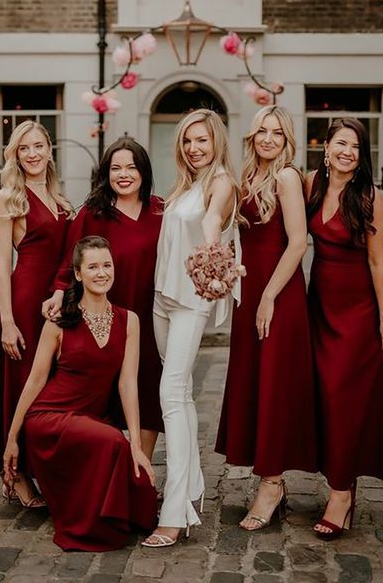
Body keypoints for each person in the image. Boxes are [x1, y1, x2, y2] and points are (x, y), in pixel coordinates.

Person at [3, 236, 157, 551]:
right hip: (50, 419)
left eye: (106, 265)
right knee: (114, 440)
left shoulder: (130, 321)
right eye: (92, 267)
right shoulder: (58, 322)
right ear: (78, 274)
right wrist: (11, 438)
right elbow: (34, 381)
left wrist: (137, 448)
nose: (101, 273)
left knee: (142, 490)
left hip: (92, 421)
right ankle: (92, 525)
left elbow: (127, 384)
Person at [142, 108, 241, 547]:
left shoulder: (221, 181)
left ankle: (175, 510)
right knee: (178, 395)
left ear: (215, 141)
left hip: (192, 300)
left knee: (171, 395)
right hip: (162, 299)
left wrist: (212, 248)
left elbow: (212, 219)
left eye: (201, 139)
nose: (194, 147)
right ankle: (194, 486)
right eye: (187, 141)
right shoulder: (184, 184)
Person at [215, 105, 317, 530]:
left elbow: (298, 243)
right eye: (262, 131)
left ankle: (272, 484)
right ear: (252, 135)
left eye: (277, 132)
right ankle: (268, 475)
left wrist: (269, 296)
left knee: (274, 385)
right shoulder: (247, 178)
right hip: (249, 292)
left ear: (287, 137)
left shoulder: (288, 177)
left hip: (279, 294)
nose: (269, 138)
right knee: (255, 383)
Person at [305, 117, 383, 540]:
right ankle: (341, 482)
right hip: (318, 306)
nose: (347, 152)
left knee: (344, 399)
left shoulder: (372, 198)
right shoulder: (311, 185)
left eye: (356, 147)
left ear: (362, 157)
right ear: (326, 147)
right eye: (340, 143)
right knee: (323, 398)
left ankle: (340, 495)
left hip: (356, 312)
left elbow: (377, 262)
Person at [42, 137, 163, 458]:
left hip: (151, 316)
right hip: (105, 315)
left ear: (144, 172)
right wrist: (57, 293)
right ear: (106, 173)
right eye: (116, 168)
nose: (124, 174)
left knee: (148, 389)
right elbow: (71, 260)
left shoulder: (161, 210)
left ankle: (142, 465)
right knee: (103, 391)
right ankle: (105, 462)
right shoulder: (93, 213)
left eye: (132, 167)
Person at [0, 120, 74, 506]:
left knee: (49, 384)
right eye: (23, 148)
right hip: (24, 298)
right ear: (15, 155)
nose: (32, 154)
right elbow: (2, 266)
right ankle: (14, 473)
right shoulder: (8, 198)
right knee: (20, 385)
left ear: (50, 149)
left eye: (38, 146)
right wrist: (9, 321)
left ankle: (43, 467)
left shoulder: (58, 196)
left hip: (57, 301)